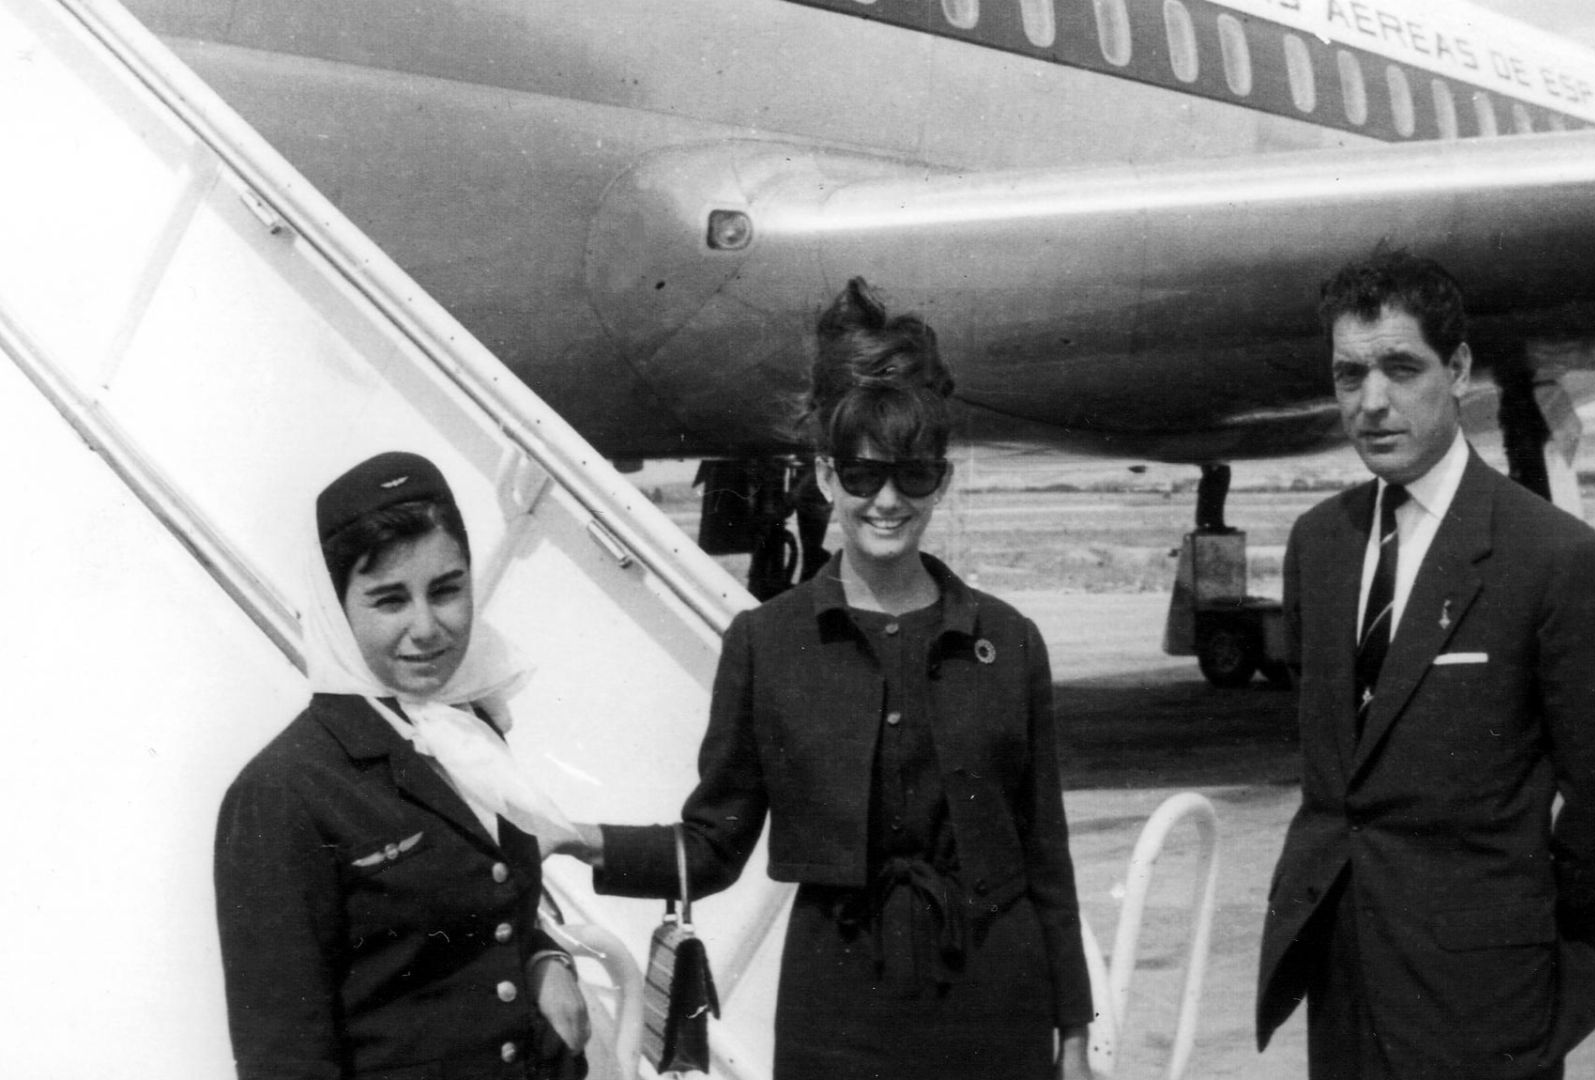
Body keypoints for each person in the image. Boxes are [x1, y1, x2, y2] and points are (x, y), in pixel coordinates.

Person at [550, 278, 1095, 1079]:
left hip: (994, 1003)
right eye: (863, 475)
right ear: (827, 476)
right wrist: (574, 837)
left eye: (913, 476)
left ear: (941, 480)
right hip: (837, 1011)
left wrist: (1074, 1036)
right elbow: (712, 846)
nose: (887, 501)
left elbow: (1046, 855)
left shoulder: (1009, 642)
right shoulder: (767, 644)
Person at [1254, 250, 1595, 1079]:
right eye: (1349, 375)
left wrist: (1521, 944)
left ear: (1457, 370)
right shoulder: (1319, 545)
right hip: (1343, 989)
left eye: (1401, 368)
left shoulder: (1554, 557)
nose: (1372, 401)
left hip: (1488, 1009)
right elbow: (1344, 774)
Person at [214, 451, 591, 1079]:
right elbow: (285, 1058)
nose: (427, 628)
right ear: (338, 612)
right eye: (389, 601)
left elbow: (488, 903)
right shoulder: (284, 791)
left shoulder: (467, 731)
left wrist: (545, 959)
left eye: (446, 591)